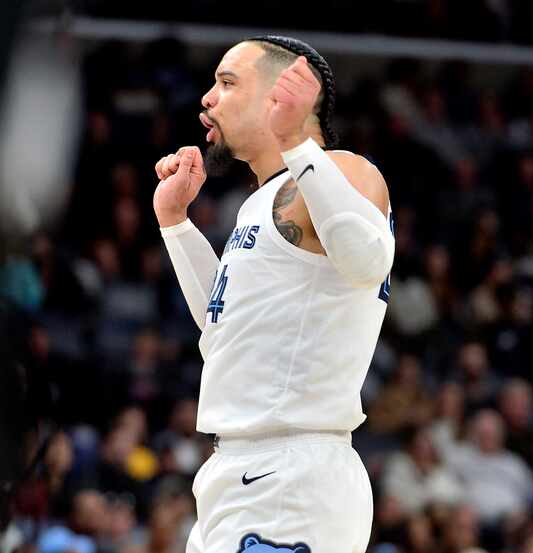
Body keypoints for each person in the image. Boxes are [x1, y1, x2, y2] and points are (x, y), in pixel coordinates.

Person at [152, 35, 395, 553]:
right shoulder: (261, 202)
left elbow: (369, 260)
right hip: (243, 472)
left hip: (289, 474)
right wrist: (175, 223)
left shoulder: (344, 169)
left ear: (280, 95)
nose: (207, 99)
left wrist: (299, 145)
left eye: (227, 82)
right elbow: (224, 326)